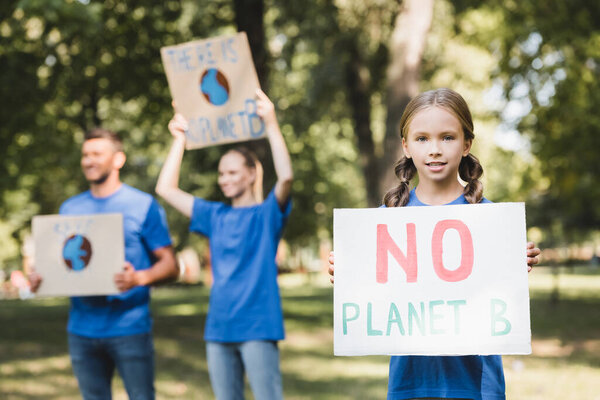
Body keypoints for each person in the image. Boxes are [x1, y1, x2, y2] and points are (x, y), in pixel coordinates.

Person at [328, 88, 541, 400]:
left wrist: (515, 261)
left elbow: (499, 297)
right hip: (409, 383)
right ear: (406, 145)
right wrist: (346, 272)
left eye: (448, 137)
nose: (435, 149)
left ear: (467, 144)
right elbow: (372, 295)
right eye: (422, 138)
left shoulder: (490, 220)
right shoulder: (384, 223)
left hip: (476, 386)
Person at [155, 89, 293, 400]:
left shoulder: (267, 214)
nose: (224, 179)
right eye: (221, 173)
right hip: (219, 328)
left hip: (258, 326)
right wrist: (180, 139)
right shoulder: (213, 215)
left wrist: (271, 123)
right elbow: (165, 187)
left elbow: (285, 178)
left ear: (250, 174)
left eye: (232, 172)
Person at [29, 128, 179, 400]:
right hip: (81, 330)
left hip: (129, 327)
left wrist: (139, 279)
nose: (89, 160)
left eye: (97, 154)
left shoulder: (142, 205)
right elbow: (62, 266)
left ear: (118, 159)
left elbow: (171, 265)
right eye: (85, 154)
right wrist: (41, 278)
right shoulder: (69, 209)